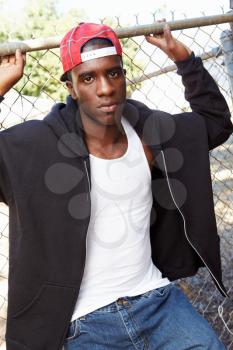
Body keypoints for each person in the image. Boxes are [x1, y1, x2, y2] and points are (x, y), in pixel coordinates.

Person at [0, 21, 232, 350]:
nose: (106, 88)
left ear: (124, 75)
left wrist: (185, 59)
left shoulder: (149, 132)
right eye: (88, 78)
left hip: (156, 300)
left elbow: (216, 123)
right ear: (70, 87)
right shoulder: (39, 145)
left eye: (113, 73)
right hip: (83, 323)